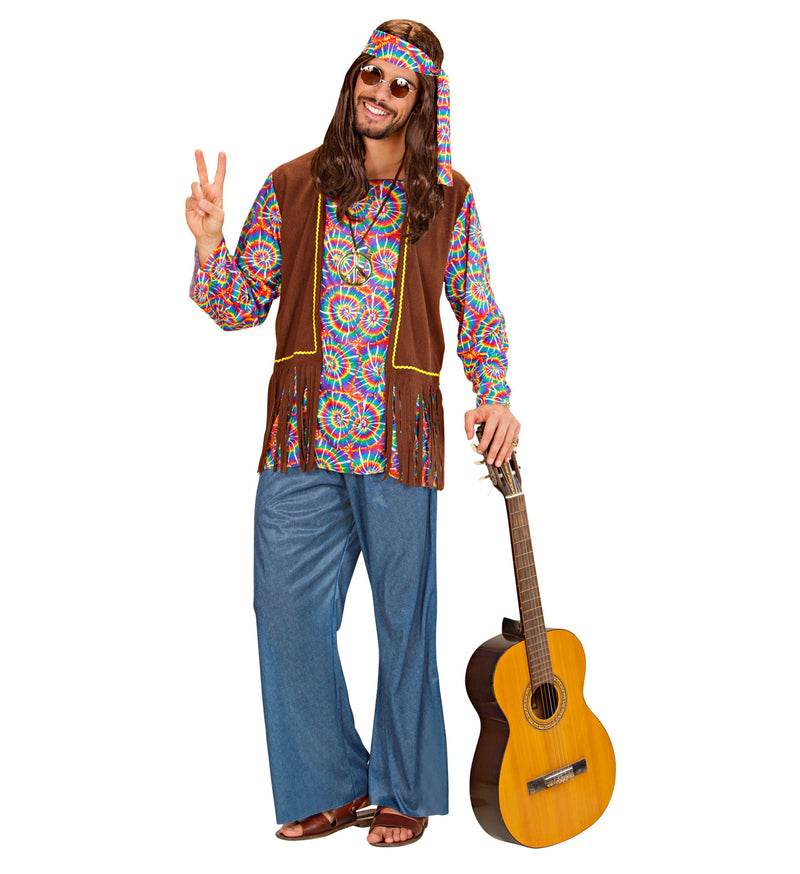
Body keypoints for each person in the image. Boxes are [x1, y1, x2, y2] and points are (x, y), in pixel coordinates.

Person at [185, 19, 520, 847]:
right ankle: (330, 783)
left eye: (399, 86)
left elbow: (476, 309)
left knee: (405, 623)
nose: (379, 94)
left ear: (422, 103)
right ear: (353, 80)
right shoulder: (293, 184)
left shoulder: (446, 199)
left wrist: (495, 395)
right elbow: (238, 305)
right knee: (284, 611)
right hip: (301, 440)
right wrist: (209, 243)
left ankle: (403, 788)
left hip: (398, 439)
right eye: (371, 76)